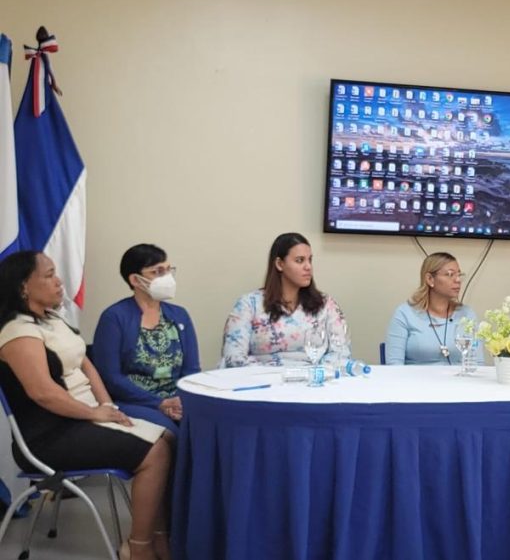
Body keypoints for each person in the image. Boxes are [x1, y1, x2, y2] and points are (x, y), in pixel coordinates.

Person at [0, 251, 172, 560]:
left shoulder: (52, 319)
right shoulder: (17, 331)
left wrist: (107, 406)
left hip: (81, 418)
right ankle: (139, 547)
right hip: (47, 436)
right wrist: (95, 413)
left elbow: (85, 363)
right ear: (24, 286)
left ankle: (160, 536)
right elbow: (43, 393)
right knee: (156, 453)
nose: (59, 280)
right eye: (50, 274)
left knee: (169, 437)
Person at [92, 244, 201, 436]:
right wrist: (159, 403)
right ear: (135, 279)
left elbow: (191, 370)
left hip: (178, 401)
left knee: (210, 426)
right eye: (157, 272)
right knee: (170, 433)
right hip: (134, 402)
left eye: (168, 270)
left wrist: (182, 401)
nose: (166, 277)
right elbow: (111, 377)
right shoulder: (114, 318)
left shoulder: (180, 315)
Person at [221, 233, 350, 368]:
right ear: (279, 264)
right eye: (300, 260)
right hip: (262, 382)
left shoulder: (326, 304)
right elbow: (233, 357)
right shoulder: (249, 304)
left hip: (313, 382)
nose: (308, 267)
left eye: (309, 260)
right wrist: (279, 375)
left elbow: (341, 353)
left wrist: (311, 375)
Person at [385, 252, 482, 365]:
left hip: (456, 382)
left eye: (459, 275)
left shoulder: (466, 314)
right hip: (414, 381)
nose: (458, 280)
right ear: (430, 279)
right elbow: (394, 366)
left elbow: (477, 363)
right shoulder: (404, 314)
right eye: (450, 274)